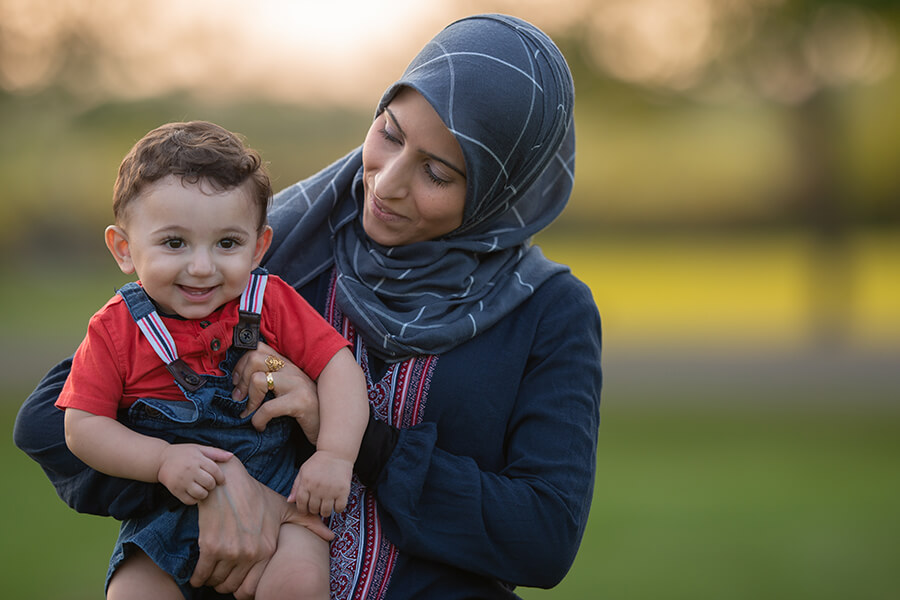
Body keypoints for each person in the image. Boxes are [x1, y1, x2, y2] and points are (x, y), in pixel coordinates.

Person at [14, 13, 603, 600]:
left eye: (436, 173)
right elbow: (49, 421)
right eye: (390, 134)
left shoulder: (550, 312)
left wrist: (356, 439)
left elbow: (542, 536)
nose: (389, 183)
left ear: (499, 188)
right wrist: (219, 487)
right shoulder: (270, 246)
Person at [53, 120, 369, 600]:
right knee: (131, 592)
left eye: (227, 244)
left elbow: (339, 369)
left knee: (299, 582)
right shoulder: (117, 329)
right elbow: (82, 425)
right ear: (124, 249)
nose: (202, 267)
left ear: (259, 246)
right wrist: (160, 459)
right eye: (174, 243)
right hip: (168, 512)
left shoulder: (268, 302)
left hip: (282, 502)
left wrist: (335, 455)